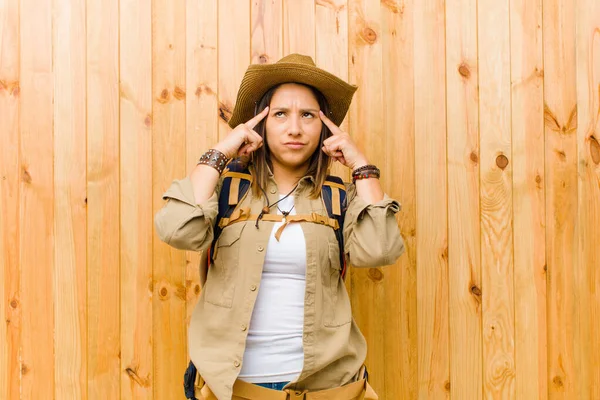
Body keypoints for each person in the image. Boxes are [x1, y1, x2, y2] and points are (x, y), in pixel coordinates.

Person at [154, 53, 405, 400]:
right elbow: (176, 229)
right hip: (236, 388)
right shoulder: (227, 190)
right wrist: (221, 151)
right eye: (280, 114)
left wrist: (362, 167)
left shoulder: (340, 198)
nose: (295, 128)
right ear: (261, 124)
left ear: (325, 127)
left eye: (308, 115)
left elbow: (380, 249)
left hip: (327, 389)